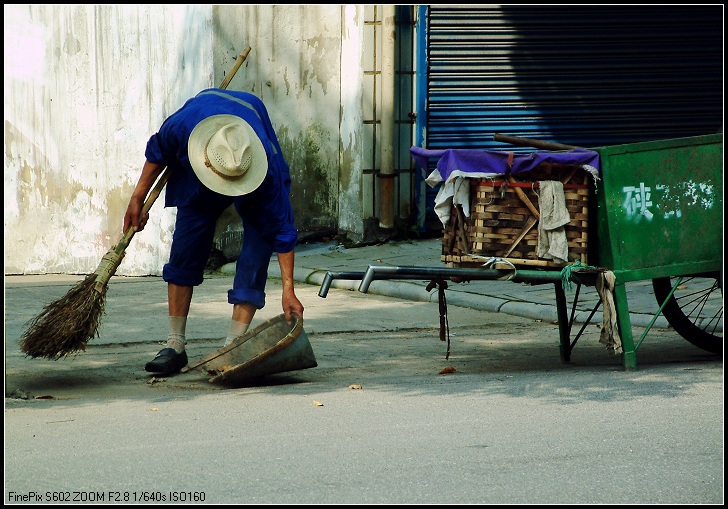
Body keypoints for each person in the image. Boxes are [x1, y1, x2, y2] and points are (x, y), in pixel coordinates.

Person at [123, 88, 304, 375]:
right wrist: (137, 197)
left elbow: (282, 232)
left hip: (247, 156)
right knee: (187, 241)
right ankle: (174, 344)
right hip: (201, 160)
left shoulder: (267, 171)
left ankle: (233, 345)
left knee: (259, 242)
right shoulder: (182, 128)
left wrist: (288, 291)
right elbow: (158, 151)